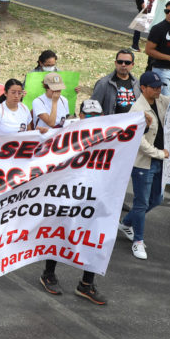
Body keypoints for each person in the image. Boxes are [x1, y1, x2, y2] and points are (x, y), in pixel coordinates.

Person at [38, 99, 107, 304]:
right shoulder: (68, 128)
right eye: (89, 115)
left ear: (102, 116)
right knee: (61, 232)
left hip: (94, 193)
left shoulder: (111, 132)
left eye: (97, 116)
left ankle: (87, 284)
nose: (92, 120)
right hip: (67, 192)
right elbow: (48, 142)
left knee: (95, 237)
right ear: (81, 115)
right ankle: (48, 273)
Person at [120, 71, 169, 261]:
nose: (159, 90)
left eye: (160, 87)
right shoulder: (137, 110)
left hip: (160, 161)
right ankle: (138, 241)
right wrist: (159, 154)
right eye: (155, 87)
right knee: (141, 203)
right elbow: (139, 141)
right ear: (143, 88)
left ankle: (126, 222)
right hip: (144, 163)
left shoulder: (160, 100)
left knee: (156, 199)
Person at [91, 49, 140, 115]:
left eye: (127, 63)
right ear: (115, 63)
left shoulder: (138, 84)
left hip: (134, 123)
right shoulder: (103, 83)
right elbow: (92, 108)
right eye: (120, 62)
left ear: (132, 64)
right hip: (112, 123)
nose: (123, 65)